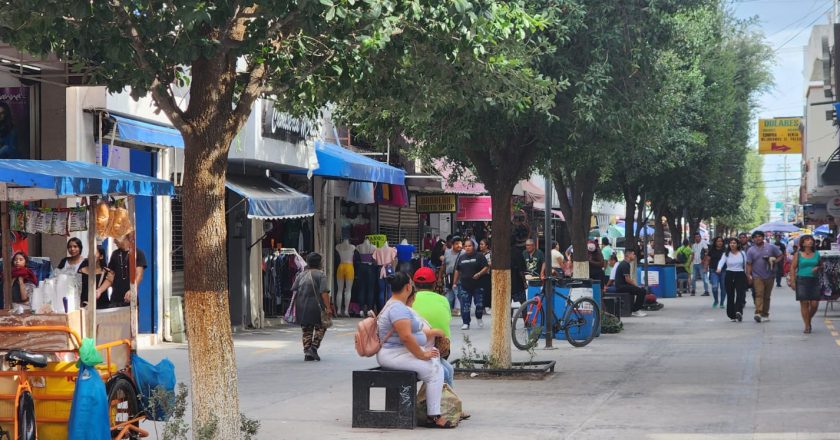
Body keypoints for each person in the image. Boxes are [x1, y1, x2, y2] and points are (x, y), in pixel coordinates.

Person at [376, 272, 452, 428]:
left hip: (399, 352)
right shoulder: (397, 309)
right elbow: (406, 337)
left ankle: (433, 412)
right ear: (408, 287)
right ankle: (434, 416)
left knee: (435, 364)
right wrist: (421, 354)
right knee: (434, 371)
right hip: (393, 354)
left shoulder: (396, 305)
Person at [411, 267, 455, 387]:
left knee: (447, 369)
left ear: (413, 283)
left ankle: (442, 401)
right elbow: (447, 321)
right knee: (447, 370)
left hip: (418, 347)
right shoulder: (443, 300)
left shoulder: (409, 300)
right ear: (434, 284)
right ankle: (444, 401)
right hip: (440, 348)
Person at [291, 253, 331, 361]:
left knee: (306, 330)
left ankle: (307, 353)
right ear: (319, 263)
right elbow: (324, 293)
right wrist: (328, 307)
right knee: (321, 326)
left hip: (301, 306)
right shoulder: (320, 275)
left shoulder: (301, 275)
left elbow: (294, 289)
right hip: (316, 307)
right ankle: (313, 348)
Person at [746, 231, 782, 323]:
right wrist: (748, 275)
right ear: (753, 239)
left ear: (763, 237)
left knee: (767, 296)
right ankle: (758, 312)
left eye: (760, 236)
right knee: (759, 293)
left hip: (770, 275)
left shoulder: (771, 247)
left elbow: (780, 255)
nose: (758, 238)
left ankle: (765, 314)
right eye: (756, 237)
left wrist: (774, 261)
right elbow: (749, 264)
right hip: (757, 275)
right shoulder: (751, 250)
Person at [789, 235, 822, 334]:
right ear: (802, 243)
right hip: (802, 280)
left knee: (814, 304)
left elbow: (821, 265)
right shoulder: (798, 254)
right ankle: (807, 326)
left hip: (814, 280)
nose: (810, 241)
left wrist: (818, 268)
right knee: (804, 304)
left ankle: (808, 319)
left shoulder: (817, 254)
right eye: (807, 240)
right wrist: (793, 281)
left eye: (811, 240)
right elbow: (792, 268)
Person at [453, 239, 489, 330]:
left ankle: (479, 317)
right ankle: (466, 322)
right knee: (465, 305)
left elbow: (486, 267)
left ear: (473, 247)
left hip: (478, 285)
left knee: (479, 305)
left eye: (469, 246)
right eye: (466, 246)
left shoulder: (479, 256)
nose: (467, 248)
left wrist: (479, 274)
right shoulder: (462, 257)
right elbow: (457, 270)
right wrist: (454, 282)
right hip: (465, 285)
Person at [107, 237, 147, 308]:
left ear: (123, 237)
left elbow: (139, 275)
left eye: (116, 238)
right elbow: (110, 278)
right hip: (115, 299)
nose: (114, 241)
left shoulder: (138, 253)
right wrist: (99, 290)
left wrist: (132, 290)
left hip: (130, 298)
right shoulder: (115, 254)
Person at [717, 238, 748, 322]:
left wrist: (748, 275)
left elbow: (746, 265)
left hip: (740, 274)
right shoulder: (726, 254)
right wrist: (719, 268)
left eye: (734, 243)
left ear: (738, 244)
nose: (732, 244)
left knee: (740, 294)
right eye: (731, 243)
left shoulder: (742, 253)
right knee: (730, 295)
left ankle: (738, 311)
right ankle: (732, 315)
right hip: (729, 274)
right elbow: (721, 262)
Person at [613, 249, 647, 317]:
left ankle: (634, 308)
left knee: (640, 290)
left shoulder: (626, 264)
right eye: (633, 254)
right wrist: (637, 286)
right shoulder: (625, 264)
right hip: (621, 287)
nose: (634, 256)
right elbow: (628, 279)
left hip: (623, 285)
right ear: (628, 255)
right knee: (642, 291)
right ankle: (635, 310)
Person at [79, 245, 114, 309]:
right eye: (90, 253)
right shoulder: (81, 270)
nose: (90, 256)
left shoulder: (106, 272)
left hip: (102, 306)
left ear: (101, 256)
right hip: (85, 306)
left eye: (94, 253)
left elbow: (111, 282)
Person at [442, 236, 464, 316]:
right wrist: (440, 277)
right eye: (456, 244)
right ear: (452, 244)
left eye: (460, 243)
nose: (459, 245)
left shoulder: (463, 253)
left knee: (458, 293)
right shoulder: (447, 252)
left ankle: (458, 309)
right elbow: (444, 265)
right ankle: (448, 309)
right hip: (449, 277)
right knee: (449, 294)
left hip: (460, 277)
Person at [707, 237, 726, 309]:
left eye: (721, 241)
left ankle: (722, 303)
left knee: (723, 288)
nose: (720, 242)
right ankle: (716, 300)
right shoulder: (711, 251)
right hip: (713, 271)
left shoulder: (725, 250)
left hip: (724, 271)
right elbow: (707, 260)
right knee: (714, 287)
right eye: (718, 241)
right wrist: (706, 269)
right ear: (715, 242)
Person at [478, 238, 492, 315]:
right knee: (481, 292)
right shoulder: (479, 254)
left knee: (487, 291)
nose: (480, 246)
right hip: (480, 275)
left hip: (487, 275)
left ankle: (488, 306)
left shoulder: (490, 254)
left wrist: (484, 264)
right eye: (480, 244)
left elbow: (490, 263)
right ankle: (482, 307)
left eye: (482, 244)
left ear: (486, 246)